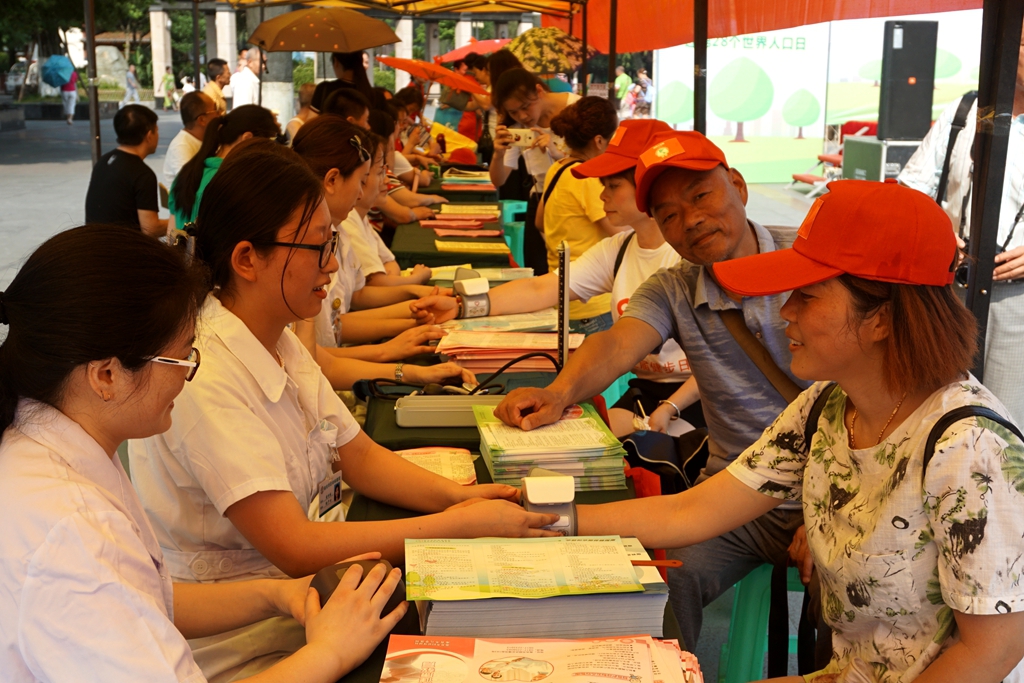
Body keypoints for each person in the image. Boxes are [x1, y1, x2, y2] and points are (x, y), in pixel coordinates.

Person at [129, 142, 558, 682]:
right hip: (245, 641)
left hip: (308, 601)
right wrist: (455, 525)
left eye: (331, 241)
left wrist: (460, 498)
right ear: (247, 259)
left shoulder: (275, 336)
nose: (332, 264)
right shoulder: (208, 373)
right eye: (317, 247)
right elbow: (295, 545)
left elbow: (358, 455)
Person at [567, 179, 1024, 683]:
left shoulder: (971, 448)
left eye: (806, 296)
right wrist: (547, 520)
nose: (785, 311)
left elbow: (992, 651)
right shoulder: (826, 407)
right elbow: (689, 511)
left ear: (882, 318)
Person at [0, 224, 407, 683]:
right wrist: (331, 651)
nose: (189, 374)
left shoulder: (55, 441)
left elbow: (149, 597)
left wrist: (277, 595)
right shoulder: (72, 532)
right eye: (180, 358)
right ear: (106, 376)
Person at [493, 129, 815, 651]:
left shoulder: (812, 266)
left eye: (701, 196)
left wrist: (836, 515)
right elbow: (617, 344)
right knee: (654, 588)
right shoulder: (674, 286)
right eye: (668, 214)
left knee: (867, 605)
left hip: (836, 497)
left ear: (737, 185)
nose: (690, 220)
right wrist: (559, 392)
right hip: (727, 502)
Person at [417, 119, 698, 436]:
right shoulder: (618, 249)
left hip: (699, 400)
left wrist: (671, 406)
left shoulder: (691, 258)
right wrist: (462, 306)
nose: (602, 195)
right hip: (646, 393)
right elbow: (542, 288)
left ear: (651, 186)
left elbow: (726, 361)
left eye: (613, 186)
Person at [897, 26, 1024, 426]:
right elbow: (911, 188)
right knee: (933, 408)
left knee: (1004, 424)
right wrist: (936, 229)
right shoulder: (964, 111)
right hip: (948, 289)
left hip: (1017, 302)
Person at [536, 96, 627, 334]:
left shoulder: (558, 168)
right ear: (599, 141)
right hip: (592, 303)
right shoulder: (587, 177)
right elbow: (618, 233)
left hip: (562, 296)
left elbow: (540, 222)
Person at [489, 68, 580, 274]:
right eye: (513, 112)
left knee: (571, 272)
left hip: (574, 202)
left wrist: (558, 155)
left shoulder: (576, 109)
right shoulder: (516, 127)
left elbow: (595, 160)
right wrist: (498, 155)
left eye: (525, 107)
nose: (523, 116)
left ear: (539, 91)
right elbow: (498, 180)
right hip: (539, 200)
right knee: (538, 272)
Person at [169, 105, 280, 232]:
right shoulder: (238, 181)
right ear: (247, 138)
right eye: (269, 144)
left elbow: (171, 233)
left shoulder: (187, 174)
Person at [84, 104, 166, 237]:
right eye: (156, 130)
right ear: (149, 136)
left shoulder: (104, 161)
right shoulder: (142, 174)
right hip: (121, 247)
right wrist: (178, 221)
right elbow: (151, 229)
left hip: (94, 243)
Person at [163, 91, 218, 188]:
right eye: (215, 110)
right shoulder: (181, 146)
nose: (219, 115)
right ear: (202, 120)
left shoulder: (206, 139)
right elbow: (190, 185)